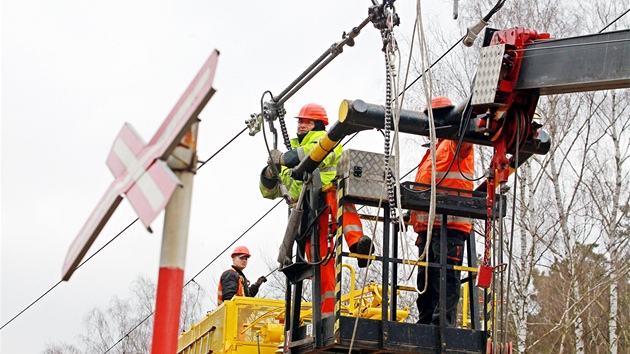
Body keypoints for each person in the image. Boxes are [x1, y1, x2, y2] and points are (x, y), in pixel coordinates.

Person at [259, 103, 373, 314]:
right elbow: (271, 192)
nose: (302, 125)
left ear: (318, 124)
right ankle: (326, 313)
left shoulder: (327, 140)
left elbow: (314, 154)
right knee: (321, 261)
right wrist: (268, 174)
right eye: (300, 121)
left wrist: (284, 159)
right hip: (305, 212)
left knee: (341, 203)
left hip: (326, 197)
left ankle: (358, 245)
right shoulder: (292, 151)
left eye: (307, 121)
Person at [410, 96, 474, 327]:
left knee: (445, 276)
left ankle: (441, 326)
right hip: (428, 229)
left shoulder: (455, 142)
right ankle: (427, 322)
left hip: (450, 226)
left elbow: (465, 138)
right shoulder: (433, 152)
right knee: (425, 279)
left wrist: (462, 116)